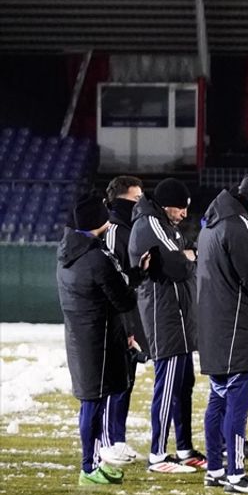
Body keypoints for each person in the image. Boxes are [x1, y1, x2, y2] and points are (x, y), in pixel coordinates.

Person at [195, 169, 248, 494]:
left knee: (217, 400)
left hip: (213, 325)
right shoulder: (237, 225)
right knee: (236, 406)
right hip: (236, 326)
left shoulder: (211, 223)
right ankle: (235, 474)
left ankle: (215, 469)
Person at [59, 195, 142, 486]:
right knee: (96, 403)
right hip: (100, 338)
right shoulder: (96, 257)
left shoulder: (68, 252)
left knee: (91, 401)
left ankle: (94, 463)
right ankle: (91, 466)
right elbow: (123, 299)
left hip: (81, 337)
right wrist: (136, 278)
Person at [128, 178, 204, 474]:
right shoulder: (150, 223)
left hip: (179, 317)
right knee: (167, 386)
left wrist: (185, 255)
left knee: (183, 385)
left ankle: (184, 448)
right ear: (167, 204)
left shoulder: (166, 225)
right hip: (165, 317)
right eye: (181, 208)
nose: (185, 214)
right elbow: (179, 266)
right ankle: (157, 455)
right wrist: (186, 257)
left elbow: (184, 254)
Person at [101, 175, 147, 466]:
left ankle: (117, 439)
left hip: (130, 317)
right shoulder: (115, 230)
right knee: (115, 383)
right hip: (117, 320)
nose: (140, 204)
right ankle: (108, 441)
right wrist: (126, 324)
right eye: (135, 199)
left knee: (127, 381)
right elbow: (116, 282)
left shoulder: (128, 229)